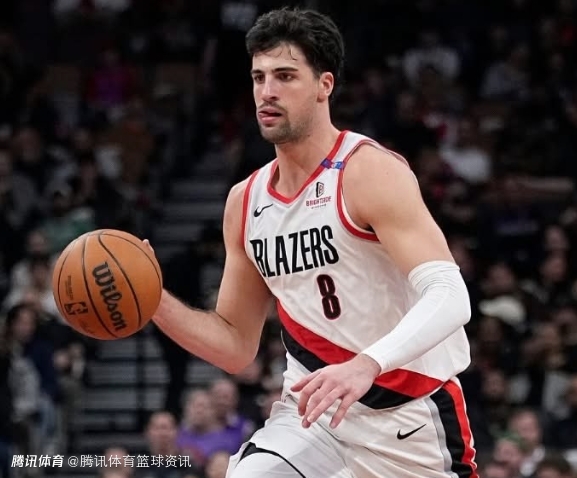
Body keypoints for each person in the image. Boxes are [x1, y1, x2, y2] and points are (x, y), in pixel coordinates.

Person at [148, 7, 478, 478]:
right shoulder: (245, 201)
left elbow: (450, 294)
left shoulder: (368, 171)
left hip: (408, 417)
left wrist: (367, 364)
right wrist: (154, 300)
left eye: (285, 76)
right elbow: (235, 346)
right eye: (259, 77)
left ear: (325, 85)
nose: (267, 91)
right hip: (311, 418)